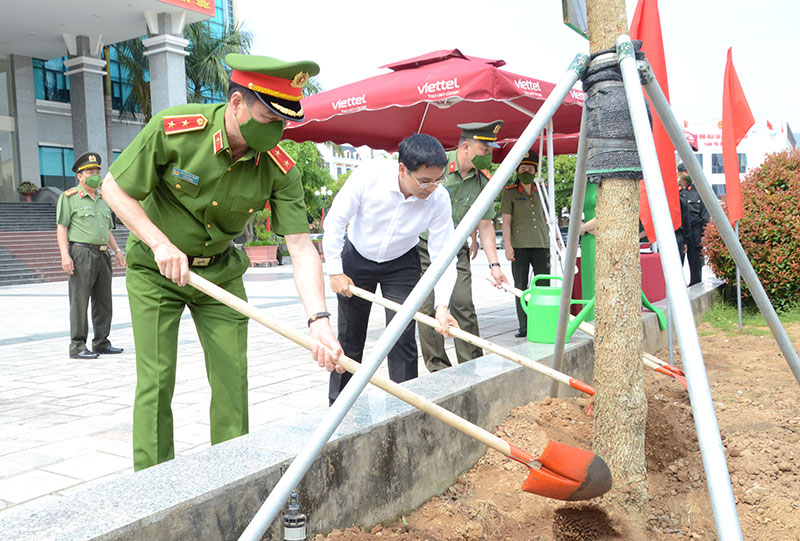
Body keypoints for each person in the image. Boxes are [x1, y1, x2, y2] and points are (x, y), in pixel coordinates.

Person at [100, 54, 343, 471]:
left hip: (220, 272)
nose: (275, 130)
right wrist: (159, 243)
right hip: (156, 271)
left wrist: (319, 320)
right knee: (157, 380)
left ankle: (231, 477)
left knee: (233, 379)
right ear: (236, 104)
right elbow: (113, 189)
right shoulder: (177, 131)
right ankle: (154, 484)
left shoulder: (280, 168)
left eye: (283, 122)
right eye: (267, 117)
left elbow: (301, 247)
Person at [323, 133, 459, 404]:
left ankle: (403, 405)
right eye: (424, 180)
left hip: (401, 264)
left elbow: (444, 253)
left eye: (438, 179)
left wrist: (442, 305)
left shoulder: (439, 198)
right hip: (357, 259)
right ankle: (339, 408)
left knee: (402, 335)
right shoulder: (368, 176)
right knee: (350, 338)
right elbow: (336, 222)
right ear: (402, 169)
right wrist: (335, 270)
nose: (431, 187)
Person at [418, 121, 509, 373]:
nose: (489, 155)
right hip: (423, 245)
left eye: (491, 151)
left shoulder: (483, 181)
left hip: (455, 248)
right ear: (466, 147)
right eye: (485, 150)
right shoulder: (436, 166)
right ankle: (438, 369)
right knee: (427, 309)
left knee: (463, 305)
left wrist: (495, 265)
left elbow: (486, 224)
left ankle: (471, 366)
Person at [56, 151, 126, 359]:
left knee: (103, 300)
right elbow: (62, 228)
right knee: (79, 300)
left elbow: (108, 229)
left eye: (97, 170)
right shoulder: (69, 198)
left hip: (103, 254)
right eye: (89, 171)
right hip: (81, 253)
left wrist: (117, 251)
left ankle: (101, 342)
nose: (95, 174)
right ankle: (77, 346)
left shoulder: (104, 198)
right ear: (80, 175)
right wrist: (65, 255)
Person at [500, 150, 549, 338]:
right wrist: (508, 246)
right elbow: (506, 221)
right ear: (518, 171)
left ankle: (542, 321)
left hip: (541, 243)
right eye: (523, 168)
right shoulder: (510, 192)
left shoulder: (541, 190)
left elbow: (546, 218)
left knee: (543, 285)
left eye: (530, 168)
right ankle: (524, 325)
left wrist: (553, 243)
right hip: (519, 245)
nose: (526, 171)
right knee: (520, 285)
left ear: (535, 170)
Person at [678, 164, 709, 286]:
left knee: (696, 267)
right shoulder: (674, 191)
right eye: (686, 172)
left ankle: (695, 289)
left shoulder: (699, 191)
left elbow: (705, 215)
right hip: (680, 233)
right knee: (677, 266)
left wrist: (704, 235)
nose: (689, 174)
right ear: (680, 173)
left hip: (695, 234)